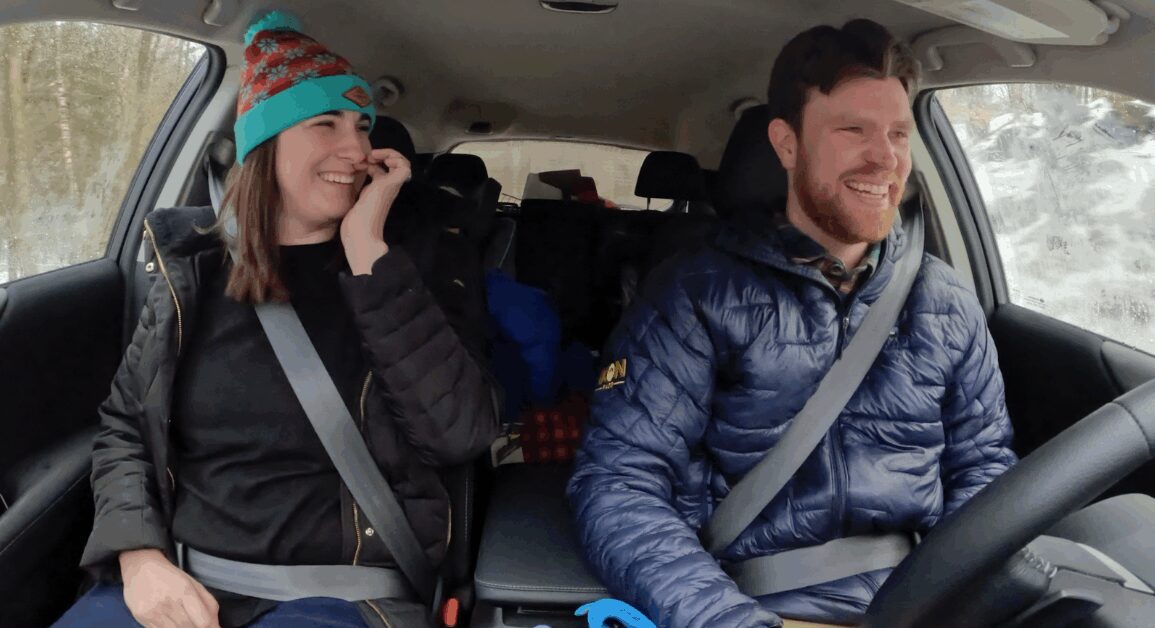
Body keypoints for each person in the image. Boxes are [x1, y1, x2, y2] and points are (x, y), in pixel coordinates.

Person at [567, 19, 1016, 628]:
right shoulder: (693, 294)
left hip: (922, 603)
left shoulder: (947, 301)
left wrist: (958, 602)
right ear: (785, 144)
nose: (885, 158)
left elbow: (986, 471)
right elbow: (619, 482)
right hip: (753, 604)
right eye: (853, 130)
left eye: (898, 134)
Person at [55, 12, 499, 628]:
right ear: (263, 144)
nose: (357, 149)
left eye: (362, 126)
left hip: (342, 594)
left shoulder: (409, 270)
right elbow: (126, 427)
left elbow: (462, 433)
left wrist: (368, 253)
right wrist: (139, 556)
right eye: (325, 123)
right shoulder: (191, 274)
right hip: (178, 579)